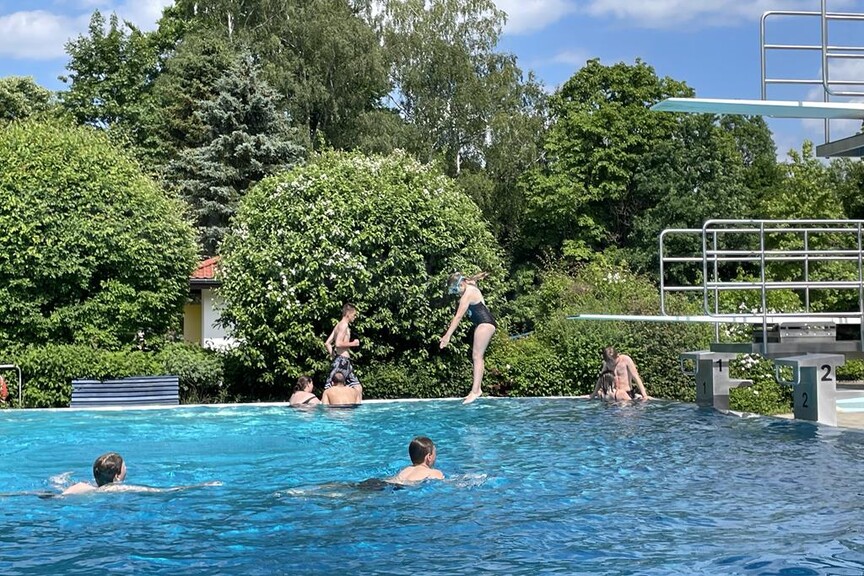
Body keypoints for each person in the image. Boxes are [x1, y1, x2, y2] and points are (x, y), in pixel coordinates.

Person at [440, 271, 496, 404]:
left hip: (485, 323)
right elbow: (472, 281)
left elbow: (458, 317)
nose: (457, 293)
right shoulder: (470, 287)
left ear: (462, 284)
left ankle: (476, 390)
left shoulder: (468, 293)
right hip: (484, 324)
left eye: (456, 289)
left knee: (477, 356)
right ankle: (476, 389)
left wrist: (447, 336)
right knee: (477, 356)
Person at [60, 452, 221, 496]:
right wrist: (201, 485)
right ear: (117, 475)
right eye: (125, 467)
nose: (127, 469)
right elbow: (161, 492)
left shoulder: (85, 486)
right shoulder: (116, 488)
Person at [324, 303, 363, 400]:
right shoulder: (344, 325)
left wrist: (334, 356)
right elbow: (338, 343)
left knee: (358, 388)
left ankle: (355, 406)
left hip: (343, 361)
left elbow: (327, 343)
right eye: (354, 315)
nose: (355, 317)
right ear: (348, 314)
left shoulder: (338, 325)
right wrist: (353, 343)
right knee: (330, 387)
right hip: (342, 362)